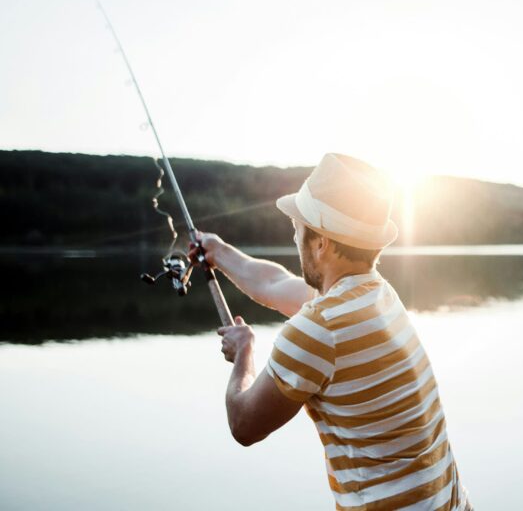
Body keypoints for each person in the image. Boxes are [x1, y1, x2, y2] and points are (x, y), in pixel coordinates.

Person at [190, 152, 472, 510]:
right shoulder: (377, 295)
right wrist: (220, 252)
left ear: (320, 242)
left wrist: (243, 355)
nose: (295, 236)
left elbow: (244, 424)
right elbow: (275, 283)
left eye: (299, 227)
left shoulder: (317, 330)